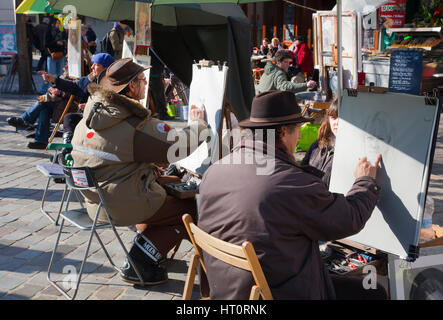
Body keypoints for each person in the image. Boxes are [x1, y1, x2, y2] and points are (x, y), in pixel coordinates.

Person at [197, 90, 384, 299]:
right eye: (298, 130)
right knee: (373, 292)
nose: (301, 136)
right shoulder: (290, 183)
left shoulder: (215, 171)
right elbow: (350, 218)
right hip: (275, 292)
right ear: (284, 132)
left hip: (227, 290)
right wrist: (365, 181)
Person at [71, 58, 208, 285]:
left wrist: (142, 166)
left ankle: (149, 247)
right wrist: (198, 125)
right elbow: (175, 146)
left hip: (98, 199)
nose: (146, 86)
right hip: (120, 201)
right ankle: (140, 262)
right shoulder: (131, 123)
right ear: (132, 86)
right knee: (189, 209)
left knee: (169, 184)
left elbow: (111, 155)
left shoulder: (91, 114)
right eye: (143, 81)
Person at [6, 53, 114, 150]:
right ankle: (40, 139)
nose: (92, 67)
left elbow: (109, 102)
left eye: (96, 65)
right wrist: (54, 80)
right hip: (73, 106)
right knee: (45, 105)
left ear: (105, 68)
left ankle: (27, 123)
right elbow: (73, 86)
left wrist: (88, 105)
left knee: (58, 111)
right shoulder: (88, 79)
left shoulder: (110, 83)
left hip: (89, 112)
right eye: (92, 64)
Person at [301, 99, 338, 188]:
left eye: (342, 118)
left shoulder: (352, 151)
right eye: (333, 117)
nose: (337, 122)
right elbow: (303, 170)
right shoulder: (318, 144)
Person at [41, 19, 67, 93]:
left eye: (59, 23)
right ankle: (46, 90)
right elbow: (46, 44)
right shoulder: (48, 32)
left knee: (60, 74)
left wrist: (62, 43)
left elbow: (64, 40)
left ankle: (57, 89)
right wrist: (56, 43)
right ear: (53, 24)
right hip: (52, 55)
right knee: (50, 74)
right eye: (57, 23)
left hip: (60, 54)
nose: (58, 25)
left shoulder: (60, 31)